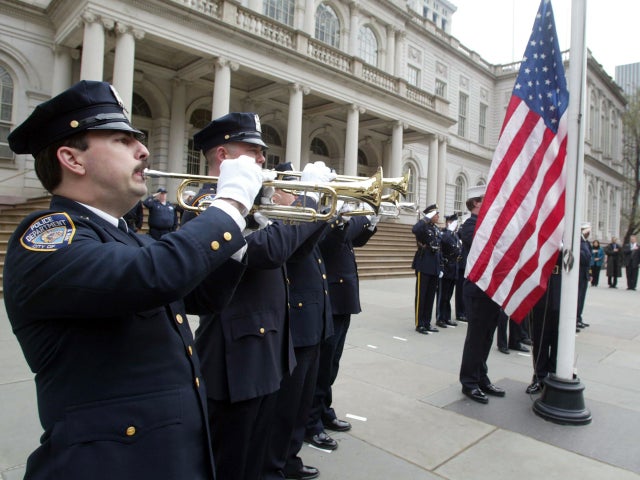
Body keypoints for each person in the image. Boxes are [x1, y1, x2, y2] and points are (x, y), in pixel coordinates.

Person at [3, 80, 263, 479]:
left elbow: (201, 296)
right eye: (123, 141)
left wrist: (240, 231)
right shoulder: (48, 236)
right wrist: (228, 206)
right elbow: (154, 276)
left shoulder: (120, 233)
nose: (143, 150)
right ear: (72, 159)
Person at [185, 113, 333, 480]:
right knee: (233, 462)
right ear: (223, 155)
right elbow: (264, 252)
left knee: (260, 454)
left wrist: (319, 212)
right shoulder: (209, 203)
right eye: (253, 150)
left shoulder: (255, 201)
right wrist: (309, 201)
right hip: (235, 358)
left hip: (267, 350)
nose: (263, 159)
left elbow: (293, 254)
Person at [263, 163, 334, 480]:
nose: (295, 196)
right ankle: (275, 464)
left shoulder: (294, 219)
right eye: (291, 189)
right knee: (286, 405)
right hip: (298, 319)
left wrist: (324, 205)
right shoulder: (276, 220)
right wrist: (310, 201)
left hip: (314, 318)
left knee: (301, 402)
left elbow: (314, 243)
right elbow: (290, 251)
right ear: (276, 191)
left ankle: (288, 459)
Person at [304, 206, 378, 450]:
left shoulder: (341, 220)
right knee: (323, 366)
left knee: (332, 363)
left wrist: (371, 222)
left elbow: (355, 241)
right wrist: (359, 217)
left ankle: (324, 410)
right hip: (332, 298)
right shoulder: (324, 215)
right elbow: (337, 238)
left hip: (343, 297)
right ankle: (311, 422)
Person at [458, 185, 506, 404]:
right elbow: (483, 242)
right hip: (477, 289)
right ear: (476, 203)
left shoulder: (488, 225)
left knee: (487, 336)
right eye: (486, 199)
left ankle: (481, 376)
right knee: (476, 338)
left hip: (493, 289)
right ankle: (469, 381)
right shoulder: (468, 226)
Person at [526, 251, 562, 394]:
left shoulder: (572, 237)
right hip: (541, 286)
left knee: (558, 338)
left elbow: (584, 257)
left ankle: (554, 373)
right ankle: (539, 376)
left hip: (562, 288)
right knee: (540, 337)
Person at [412, 204, 442, 334]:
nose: (438, 216)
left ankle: (427, 322)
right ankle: (420, 324)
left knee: (430, 296)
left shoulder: (435, 229)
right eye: (435, 214)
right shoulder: (423, 227)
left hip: (434, 265)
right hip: (424, 264)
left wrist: (441, 266)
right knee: (421, 296)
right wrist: (425, 218)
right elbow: (415, 229)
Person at [436, 213, 461, 328]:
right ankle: (440, 317)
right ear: (449, 223)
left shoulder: (455, 235)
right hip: (446, 267)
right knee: (443, 295)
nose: (456, 225)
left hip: (453, 267)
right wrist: (449, 231)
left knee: (449, 295)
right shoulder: (444, 233)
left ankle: (447, 317)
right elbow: (443, 242)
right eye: (454, 223)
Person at [577, 223, 592, 330]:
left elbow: (589, 259)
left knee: (581, 299)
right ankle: (576, 319)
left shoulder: (585, 242)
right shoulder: (579, 241)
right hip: (579, 274)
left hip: (584, 275)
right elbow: (585, 257)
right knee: (578, 298)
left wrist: (590, 273)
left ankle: (579, 318)